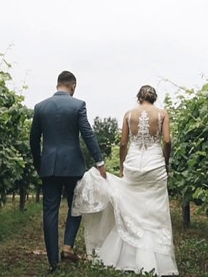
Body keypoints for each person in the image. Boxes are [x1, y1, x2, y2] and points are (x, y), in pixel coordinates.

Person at [72, 85, 179, 276]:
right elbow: (168, 140)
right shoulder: (162, 114)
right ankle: (157, 259)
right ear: (154, 98)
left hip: (133, 165)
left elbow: (123, 143)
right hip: (155, 164)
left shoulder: (129, 114)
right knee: (155, 210)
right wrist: (165, 160)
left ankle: (126, 254)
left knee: (132, 208)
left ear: (139, 97)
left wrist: (122, 166)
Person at [29, 70, 107, 273]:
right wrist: (99, 161)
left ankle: (53, 262)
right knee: (76, 206)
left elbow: (33, 139)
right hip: (73, 165)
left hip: (49, 166)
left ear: (57, 84)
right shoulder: (78, 105)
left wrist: (39, 163)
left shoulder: (40, 107)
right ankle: (68, 246)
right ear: (73, 85)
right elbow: (88, 134)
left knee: (50, 211)